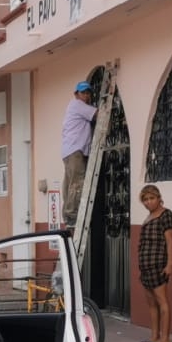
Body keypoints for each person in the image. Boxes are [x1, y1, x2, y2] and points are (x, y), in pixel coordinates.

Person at [136, 184, 172, 342]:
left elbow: (170, 241)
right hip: (145, 267)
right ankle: (154, 337)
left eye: (151, 198)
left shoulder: (166, 215)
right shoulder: (148, 217)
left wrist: (170, 264)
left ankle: (165, 340)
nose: (148, 202)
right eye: (145, 200)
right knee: (151, 304)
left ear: (159, 198)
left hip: (158, 264)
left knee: (162, 302)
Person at [60, 81, 98, 232]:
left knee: (70, 184)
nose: (86, 96)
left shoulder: (75, 106)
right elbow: (98, 114)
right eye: (83, 93)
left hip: (70, 150)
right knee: (77, 184)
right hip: (75, 150)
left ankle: (68, 215)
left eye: (88, 93)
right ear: (76, 94)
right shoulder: (77, 105)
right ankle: (72, 216)